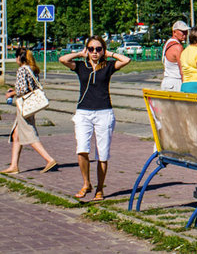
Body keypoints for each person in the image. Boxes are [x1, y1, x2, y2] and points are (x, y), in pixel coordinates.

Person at [58, 36, 131, 201]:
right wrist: (79, 53)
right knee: (82, 149)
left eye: (98, 49)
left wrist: (110, 53)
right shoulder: (80, 66)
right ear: (87, 50)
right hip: (83, 112)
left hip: (104, 112)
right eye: (91, 49)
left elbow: (126, 59)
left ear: (102, 50)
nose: (95, 52)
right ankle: (86, 183)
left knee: (102, 154)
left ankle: (100, 188)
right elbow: (62, 59)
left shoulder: (108, 66)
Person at [3, 48, 57, 174]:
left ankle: (49, 159)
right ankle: (14, 165)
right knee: (16, 134)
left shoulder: (22, 70)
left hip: (24, 107)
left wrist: (11, 93)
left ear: (18, 58)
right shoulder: (32, 69)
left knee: (29, 134)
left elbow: (22, 90)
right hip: (31, 106)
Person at [160, 20, 188, 91]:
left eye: (186, 31)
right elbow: (182, 69)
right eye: (182, 31)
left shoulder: (167, 43)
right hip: (176, 82)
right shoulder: (178, 47)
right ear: (174, 32)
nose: (185, 34)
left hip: (166, 81)